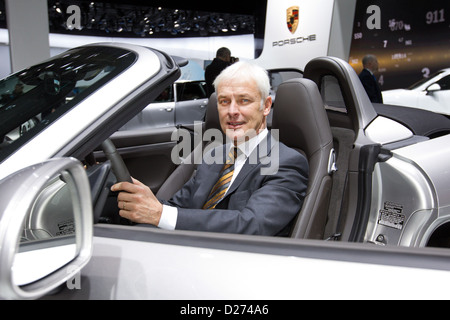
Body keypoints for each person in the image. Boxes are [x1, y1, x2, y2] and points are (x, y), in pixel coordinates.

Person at [111, 61, 309, 236]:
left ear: (266, 106)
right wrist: (143, 201)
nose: (232, 111)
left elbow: (251, 224)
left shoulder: (286, 162)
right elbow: (179, 206)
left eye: (244, 100)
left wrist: (160, 214)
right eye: (224, 101)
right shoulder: (214, 154)